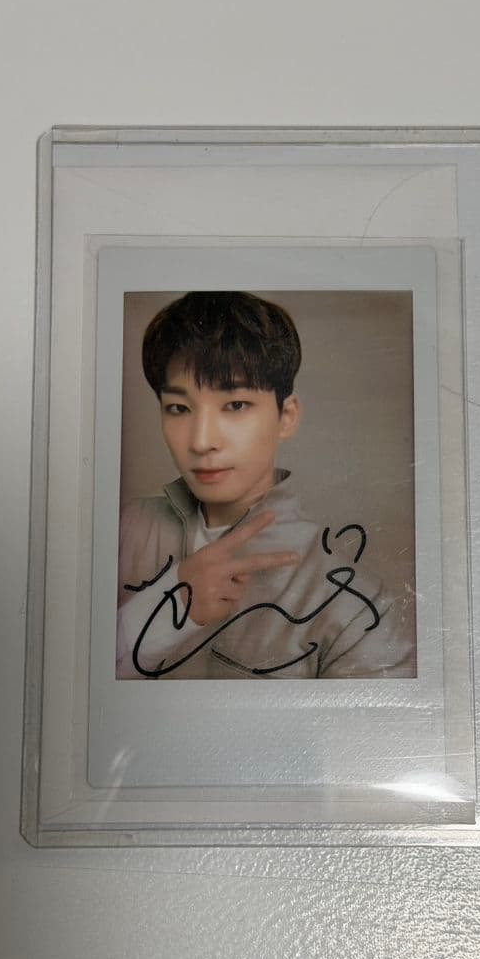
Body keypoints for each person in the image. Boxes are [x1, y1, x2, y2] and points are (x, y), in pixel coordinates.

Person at [116, 291, 416, 680]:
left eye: (235, 405)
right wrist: (164, 608)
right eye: (179, 408)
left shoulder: (358, 606)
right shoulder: (122, 530)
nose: (201, 441)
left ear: (286, 417)